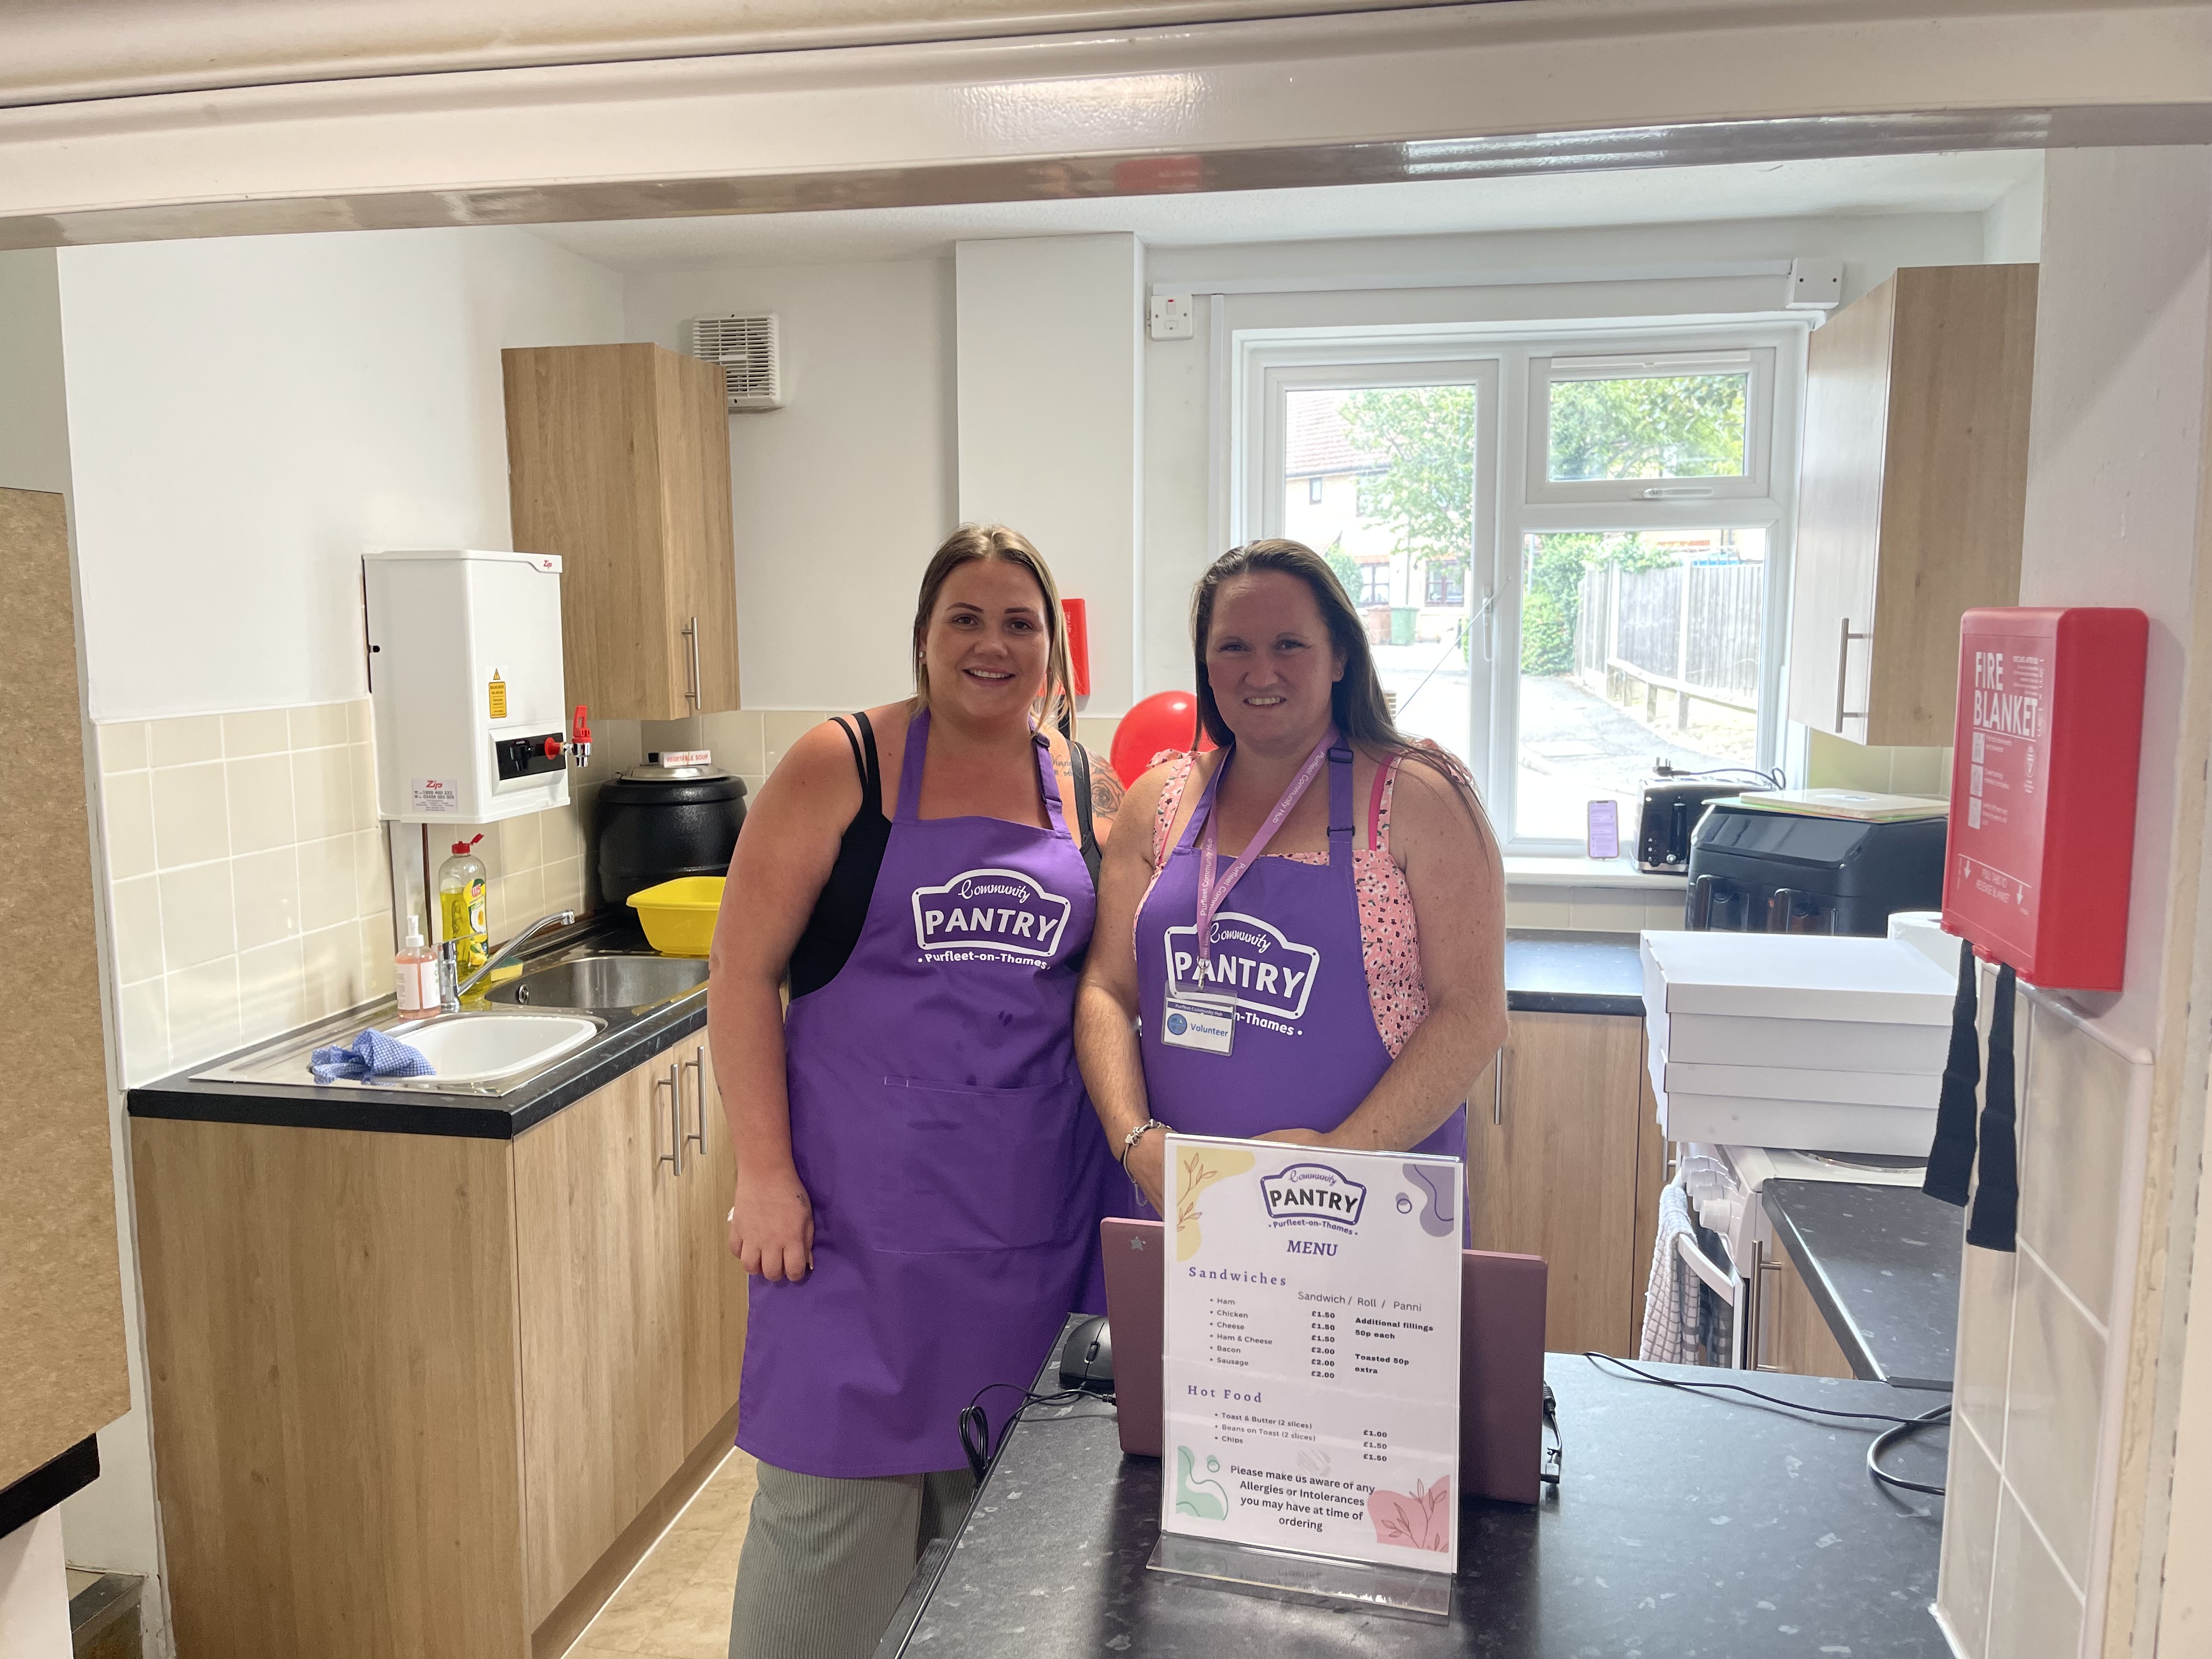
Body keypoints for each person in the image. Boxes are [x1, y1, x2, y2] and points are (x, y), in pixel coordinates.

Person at [708, 524, 1125, 1659]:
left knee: (995, 1600)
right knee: (818, 1593)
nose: (993, 645)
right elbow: (740, 976)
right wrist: (764, 1173)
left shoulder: (1092, 791)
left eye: (1019, 622)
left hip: (1034, 1251)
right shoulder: (838, 764)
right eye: (966, 619)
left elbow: (1115, 1001)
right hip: (855, 1255)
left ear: (1055, 648)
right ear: (924, 640)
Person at [1076, 538, 1506, 1216]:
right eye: (1234, 648)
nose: (1260, 672)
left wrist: (1335, 1160)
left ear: (1340, 657)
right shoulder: (1157, 801)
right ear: (1206, 665)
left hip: (1366, 1207)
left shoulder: (1418, 800)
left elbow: (1473, 1015)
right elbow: (1106, 987)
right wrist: (1134, 1140)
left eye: (1289, 645)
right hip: (1186, 1206)